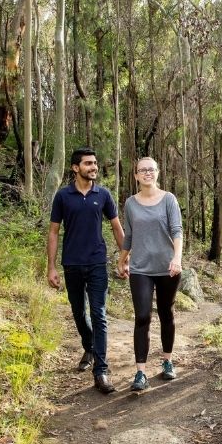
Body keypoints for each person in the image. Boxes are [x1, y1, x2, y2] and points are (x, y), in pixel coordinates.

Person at [47, 147, 125, 394]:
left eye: (95, 163)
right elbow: (53, 232)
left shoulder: (103, 194)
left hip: (96, 262)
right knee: (79, 312)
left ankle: (101, 371)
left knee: (99, 313)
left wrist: (124, 258)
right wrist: (51, 267)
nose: (94, 167)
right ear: (75, 168)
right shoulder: (63, 196)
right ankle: (88, 346)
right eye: (88, 163)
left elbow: (116, 227)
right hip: (72, 263)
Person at [117, 157, 183, 391]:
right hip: (140, 269)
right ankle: (141, 373)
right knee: (142, 316)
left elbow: (177, 231)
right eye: (142, 170)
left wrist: (177, 258)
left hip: (167, 268)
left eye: (151, 169)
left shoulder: (169, 200)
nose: (147, 173)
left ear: (158, 173)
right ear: (136, 175)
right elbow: (130, 235)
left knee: (166, 313)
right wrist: (122, 259)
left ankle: (167, 361)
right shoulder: (130, 203)